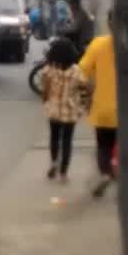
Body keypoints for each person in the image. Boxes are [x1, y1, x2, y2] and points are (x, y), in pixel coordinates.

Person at [79, 10, 118, 198]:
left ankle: (105, 173)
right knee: (125, 146)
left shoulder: (98, 44)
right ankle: (120, 172)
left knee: (103, 146)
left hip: (103, 109)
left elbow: (82, 72)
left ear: (109, 24)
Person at [40, 37, 86, 183]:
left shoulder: (49, 70)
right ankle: (63, 173)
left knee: (54, 137)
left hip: (53, 109)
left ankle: (54, 162)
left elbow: (45, 89)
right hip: (70, 111)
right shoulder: (76, 71)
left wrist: (46, 100)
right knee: (67, 141)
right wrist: (82, 106)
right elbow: (84, 88)